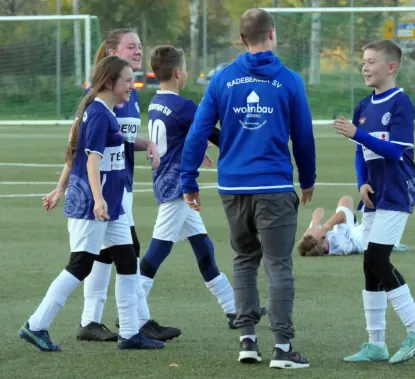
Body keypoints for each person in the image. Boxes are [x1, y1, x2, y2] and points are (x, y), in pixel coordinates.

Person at [179, 8, 315, 369]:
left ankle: (247, 341)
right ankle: (284, 348)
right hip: (273, 185)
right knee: (278, 264)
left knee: (244, 261)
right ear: (273, 34)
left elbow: (197, 133)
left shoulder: (222, 79)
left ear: (242, 39)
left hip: (232, 187)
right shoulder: (289, 80)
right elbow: (303, 137)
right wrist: (309, 179)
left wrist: (188, 180)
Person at [19, 56, 165, 352]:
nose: (132, 85)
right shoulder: (98, 114)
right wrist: (97, 200)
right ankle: (36, 326)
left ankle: (130, 333)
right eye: (127, 80)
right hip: (93, 206)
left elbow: (97, 147)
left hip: (110, 206)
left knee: (127, 261)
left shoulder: (104, 112)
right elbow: (92, 162)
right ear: (110, 82)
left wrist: (147, 143)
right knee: (80, 264)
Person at [43, 28, 179, 342]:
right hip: (103, 188)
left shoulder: (128, 95)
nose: (138, 51)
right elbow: (80, 148)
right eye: (131, 46)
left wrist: (148, 144)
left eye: (140, 46)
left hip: (121, 184)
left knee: (114, 253)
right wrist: (62, 187)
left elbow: (121, 141)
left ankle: (100, 322)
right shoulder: (104, 96)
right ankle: (126, 322)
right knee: (117, 252)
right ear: (112, 52)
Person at [139, 45, 267, 332]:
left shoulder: (156, 101)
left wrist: (193, 151)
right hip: (177, 186)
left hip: (166, 180)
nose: (185, 73)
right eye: (184, 69)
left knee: (204, 248)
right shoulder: (185, 106)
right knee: (156, 253)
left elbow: (178, 137)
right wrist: (246, 149)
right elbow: (212, 133)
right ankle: (131, 314)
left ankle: (235, 311)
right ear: (178, 72)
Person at [332, 39, 415, 364]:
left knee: (378, 260)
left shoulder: (401, 103)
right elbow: (360, 153)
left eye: (372, 61)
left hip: (396, 190)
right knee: (369, 265)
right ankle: (376, 343)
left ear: (391, 67)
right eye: (363, 61)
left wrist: (356, 134)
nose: (365, 67)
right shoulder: (364, 106)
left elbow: (396, 150)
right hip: (375, 192)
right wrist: (362, 182)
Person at [298, 195, 364, 257]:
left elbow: (319, 210)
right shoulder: (340, 246)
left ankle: (354, 222)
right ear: (325, 248)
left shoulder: (315, 242)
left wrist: (314, 226)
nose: (319, 234)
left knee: (345, 200)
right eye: (322, 237)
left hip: (349, 232)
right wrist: (324, 228)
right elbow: (341, 215)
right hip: (364, 235)